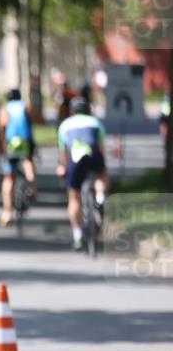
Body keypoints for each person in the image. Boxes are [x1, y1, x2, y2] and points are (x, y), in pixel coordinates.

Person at [56, 97, 108, 251]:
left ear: (72, 111)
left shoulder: (65, 125)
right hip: (93, 155)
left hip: (75, 158)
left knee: (74, 196)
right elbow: (101, 147)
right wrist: (102, 165)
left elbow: (63, 152)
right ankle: (100, 197)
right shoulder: (96, 122)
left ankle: (77, 235)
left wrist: (63, 167)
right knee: (101, 174)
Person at [0, 88, 38, 227]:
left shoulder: (5, 108)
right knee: (28, 162)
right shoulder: (26, 105)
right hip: (26, 140)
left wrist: (2, 145)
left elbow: (2, 127)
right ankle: (32, 187)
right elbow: (35, 120)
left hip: (11, 142)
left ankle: (6, 212)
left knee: (9, 176)